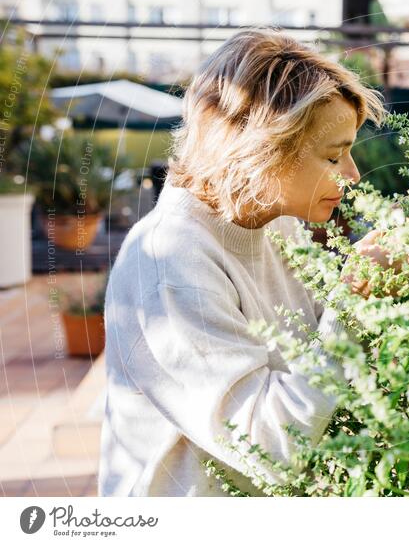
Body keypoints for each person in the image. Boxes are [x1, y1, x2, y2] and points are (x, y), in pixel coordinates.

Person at [98, 30, 392, 496]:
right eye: (334, 155)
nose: (353, 175)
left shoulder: (273, 222)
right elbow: (271, 448)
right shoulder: (171, 262)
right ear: (262, 151)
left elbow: (319, 365)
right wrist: (353, 299)